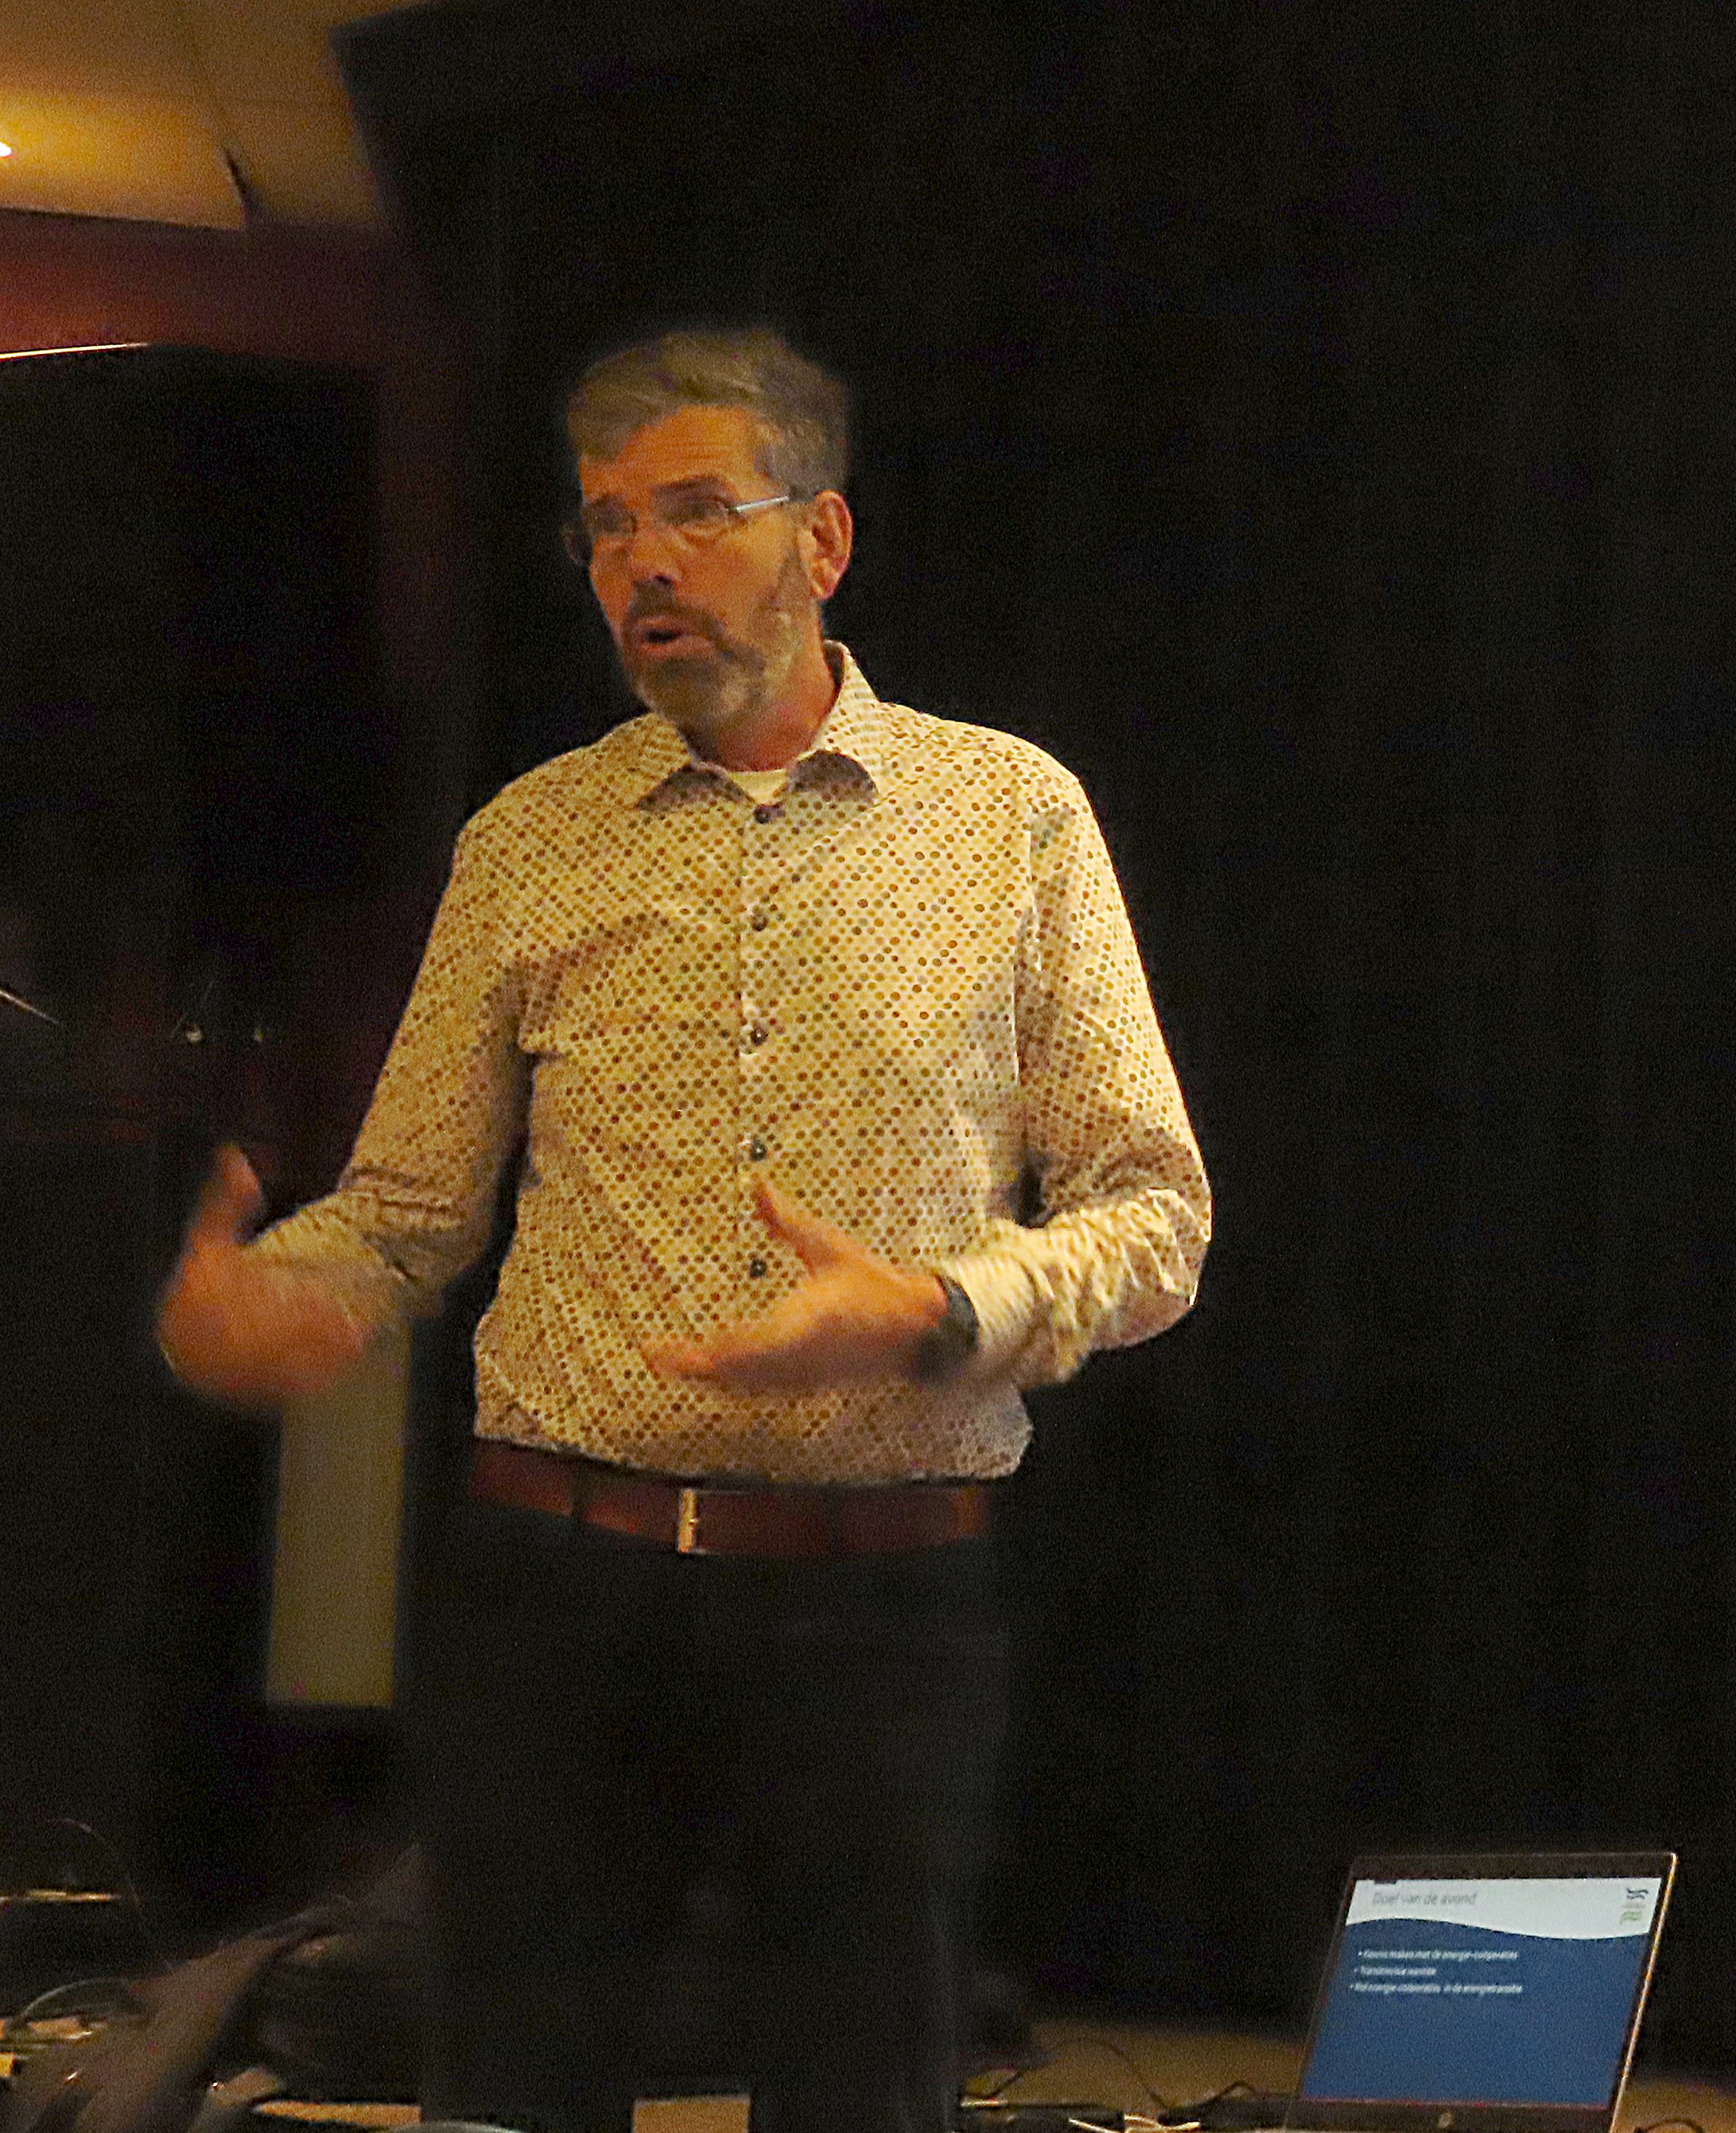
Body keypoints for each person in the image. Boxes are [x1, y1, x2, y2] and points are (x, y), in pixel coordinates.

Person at [153, 324, 1210, 2133]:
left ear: (824, 538)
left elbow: (1155, 1213)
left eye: (699, 509)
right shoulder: (530, 839)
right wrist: (273, 1297)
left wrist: (935, 1308)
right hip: (560, 1589)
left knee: (862, 2096)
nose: (644, 560)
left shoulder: (1011, 816)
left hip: (883, 1595)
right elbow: (404, 1211)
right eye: (607, 525)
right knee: (513, 2090)